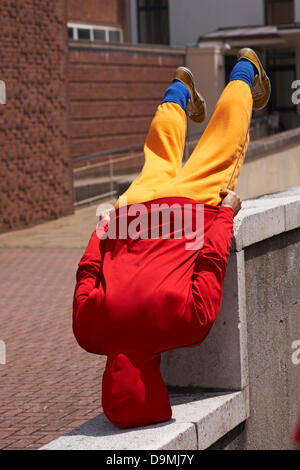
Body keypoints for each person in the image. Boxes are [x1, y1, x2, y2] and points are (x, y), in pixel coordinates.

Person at [72, 48, 271, 429]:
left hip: (191, 213)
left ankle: (246, 69)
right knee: (159, 156)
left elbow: (213, 260)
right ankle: (178, 90)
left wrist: (227, 210)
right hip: (133, 215)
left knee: (221, 142)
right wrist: (106, 226)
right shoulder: (89, 333)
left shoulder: (187, 329)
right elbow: (88, 269)